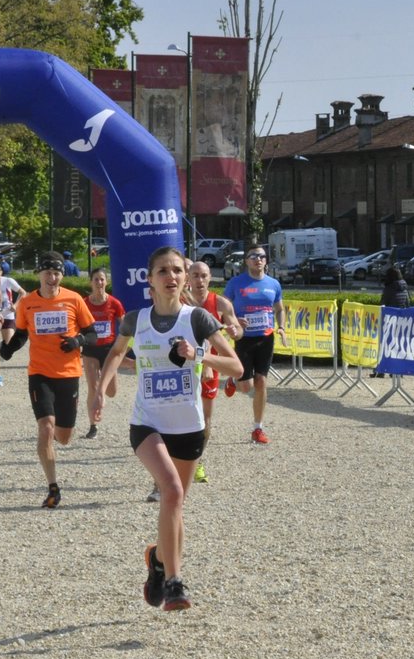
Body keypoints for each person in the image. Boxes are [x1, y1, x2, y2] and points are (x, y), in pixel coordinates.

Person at [93, 246, 243, 612]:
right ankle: (175, 583)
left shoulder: (198, 320)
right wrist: (100, 390)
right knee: (171, 491)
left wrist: (198, 355)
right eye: (163, 271)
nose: (171, 277)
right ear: (150, 280)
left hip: (189, 427)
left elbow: (236, 367)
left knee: (175, 505)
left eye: (177, 270)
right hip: (147, 424)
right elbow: (115, 352)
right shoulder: (136, 319)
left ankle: (158, 560)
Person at [0, 252, 98, 507]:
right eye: (48, 273)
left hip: (68, 374)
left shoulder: (73, 299)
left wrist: (78, 341)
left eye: (57, 273)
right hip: (39, 373)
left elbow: (93, 333)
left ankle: (54, 438)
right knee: (45, 427)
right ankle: (53, 488)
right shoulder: (29, 302)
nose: (52, 278)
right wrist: (9, 347)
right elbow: (22, 333)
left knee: (63, 436)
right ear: (39, 274)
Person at [182, 258, 241, 483]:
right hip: (184, 366)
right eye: (195, 275)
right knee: (181, 414)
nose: (200, 280)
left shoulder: (221, 303)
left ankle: (198, 460)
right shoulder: (180, 302)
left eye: (204, 275)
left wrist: (236, 331)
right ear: (188, 278)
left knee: (205, 419)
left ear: (210, 278)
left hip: (210, 366)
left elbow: (236, 329)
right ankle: (177, 460)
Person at [220, 245, 286, 445]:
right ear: (247, 261)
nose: (258, 259)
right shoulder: (236, 283)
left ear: (266, 261)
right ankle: (234, 379)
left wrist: (281, 327)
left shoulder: (273, 284)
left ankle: (258, 428)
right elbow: (223, 307)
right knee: (246, 387)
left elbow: (280, 309)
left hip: (266, 337)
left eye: (262, 256)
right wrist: (233, 322)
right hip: (244, 338)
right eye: (254, 256)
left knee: (261, 383)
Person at [80, 267, 126, 443]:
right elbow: (76, 325)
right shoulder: (84, 303)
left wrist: (124, 347)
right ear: (90, 282)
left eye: (102, 279)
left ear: (106, 282)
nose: (99, 283)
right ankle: (93, 425)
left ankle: (102, 392)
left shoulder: (114, 303)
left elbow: (125, 325)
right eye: (96, 280)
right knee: (93, 387)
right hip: (90, 350)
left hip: (108, 350)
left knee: (112, 392)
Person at [0, 259, 24, 391]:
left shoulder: (8, 281)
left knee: (9, 341)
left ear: (1, 272)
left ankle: (4, 346)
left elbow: (23, 293)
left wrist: (16, 305)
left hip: (8, 315)